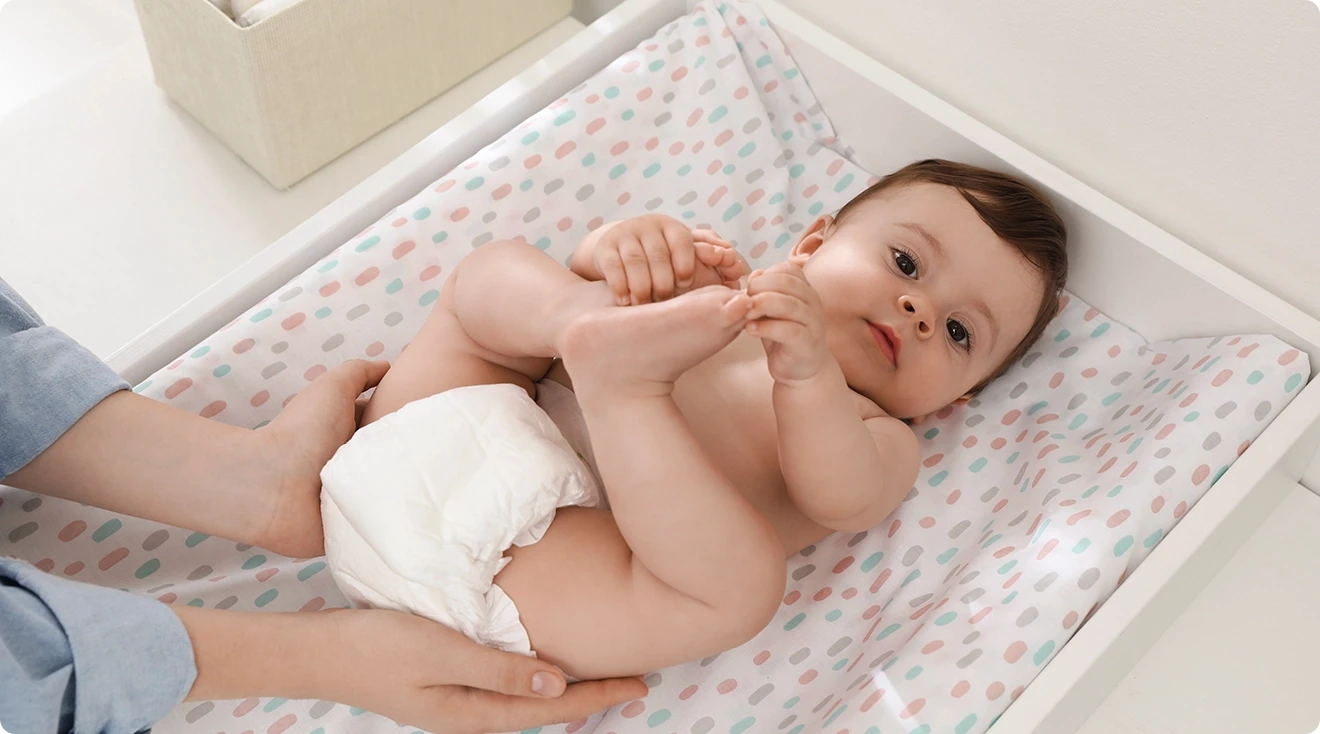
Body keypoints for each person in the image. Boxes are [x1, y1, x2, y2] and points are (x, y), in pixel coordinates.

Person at [325, 158, 1070, 681]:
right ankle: (583, 332)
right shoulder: (718, 282)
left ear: (956, 400)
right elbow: (590, 268)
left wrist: (806, 373)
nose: (919, 310)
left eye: (961, 334)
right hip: (422, 440)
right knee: (496, 273)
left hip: (530, 576)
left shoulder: (881, 436)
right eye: (906, 264)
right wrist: (620, 256)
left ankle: (624, 387)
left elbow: (839, 495)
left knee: (747, 588)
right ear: (813, 246)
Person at [0, 276, 646, 733]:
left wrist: (593, 283)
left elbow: (484, 296)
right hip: (486, 588)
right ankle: (239, 483)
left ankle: (242, 481)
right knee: (727, 597)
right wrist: (329, 658)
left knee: (480, 294)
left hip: (420, 471)